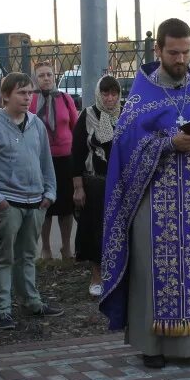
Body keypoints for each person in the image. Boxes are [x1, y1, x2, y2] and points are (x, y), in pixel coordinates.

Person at [100, 18, 190, 369]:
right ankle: (152, 346)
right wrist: (169, 143)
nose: (181, 59)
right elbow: (126, 148)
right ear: (158, 50)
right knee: (154, 269)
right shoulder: (141, 95)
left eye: (185, 52)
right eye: (173, 52)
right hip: (154, 199)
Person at [0, 72, 62, 331]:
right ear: (5, 95)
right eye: (21, 93)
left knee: (27, 255)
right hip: (8, 202)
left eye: (30, 93)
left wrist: (50, 194)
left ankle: (31, 301)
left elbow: (46, 162)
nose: (27, 98)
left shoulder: (36, 124)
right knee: (3, 256)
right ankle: (2, 309)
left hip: (35, 202)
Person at [71, 75, 121, 297]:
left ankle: (119, 274)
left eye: (114, 93)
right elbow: (77, 153)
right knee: (95, 230)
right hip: (96, 183)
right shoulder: (89, 114)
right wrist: (78, 187)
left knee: (119, 230)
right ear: (98, 94)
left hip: (121, 182)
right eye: (105, 93)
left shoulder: (126, 113)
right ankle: (97, 275)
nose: (110, 98)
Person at [30, 61, 78, 261]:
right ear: (36, 79)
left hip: (66, 159)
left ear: (54, 76)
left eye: (49, 74)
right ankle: (46, 248)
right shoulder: (31, 100)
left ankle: (66, 247)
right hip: (41, 160)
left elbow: (75, 126)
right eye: (41, 75)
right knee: (45, 206)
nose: (46, 78)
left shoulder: (65, 99)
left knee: (66, 206)